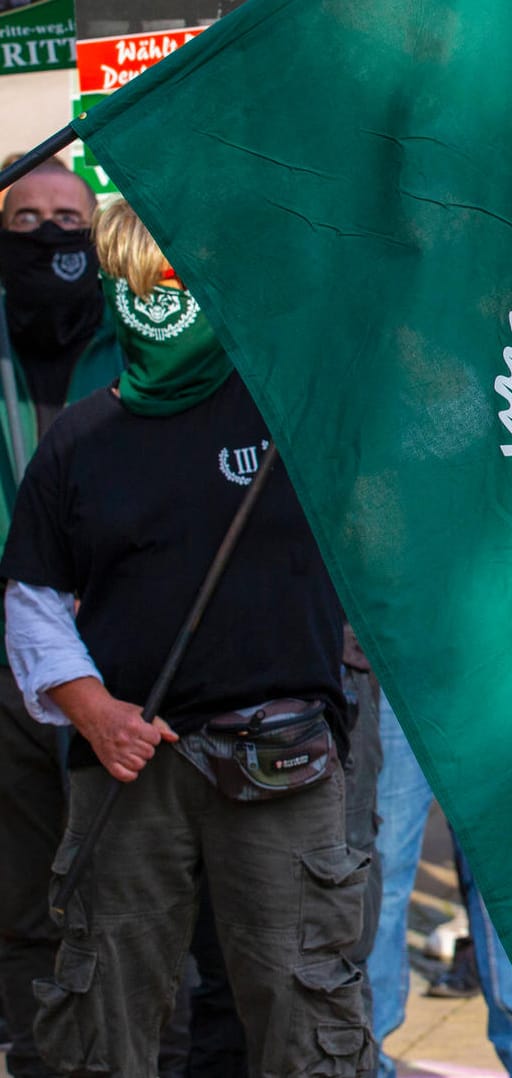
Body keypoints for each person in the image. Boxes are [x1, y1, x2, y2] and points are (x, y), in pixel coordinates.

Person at [1, 199, 371, 1075]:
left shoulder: (299, 408)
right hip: (128, 769)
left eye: (180, 277)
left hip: (285, 760)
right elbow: (33, 601)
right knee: (106, 1014)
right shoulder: (78, 442)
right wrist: (92, 712)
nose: (162, 298)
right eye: (142, 280)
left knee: (303, 1007)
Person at [0, 160, 124, 1078]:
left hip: (119, 649)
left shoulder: (136, 337)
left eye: (67, 219)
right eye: (26, 218)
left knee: (131, 883)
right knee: (22, 886)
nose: (48, 237)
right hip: (6, 661)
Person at [369, 690, 512, 1078]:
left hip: (487, 673)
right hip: (394, 669)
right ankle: (364, 1059)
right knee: (380, 881)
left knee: (506, 885)